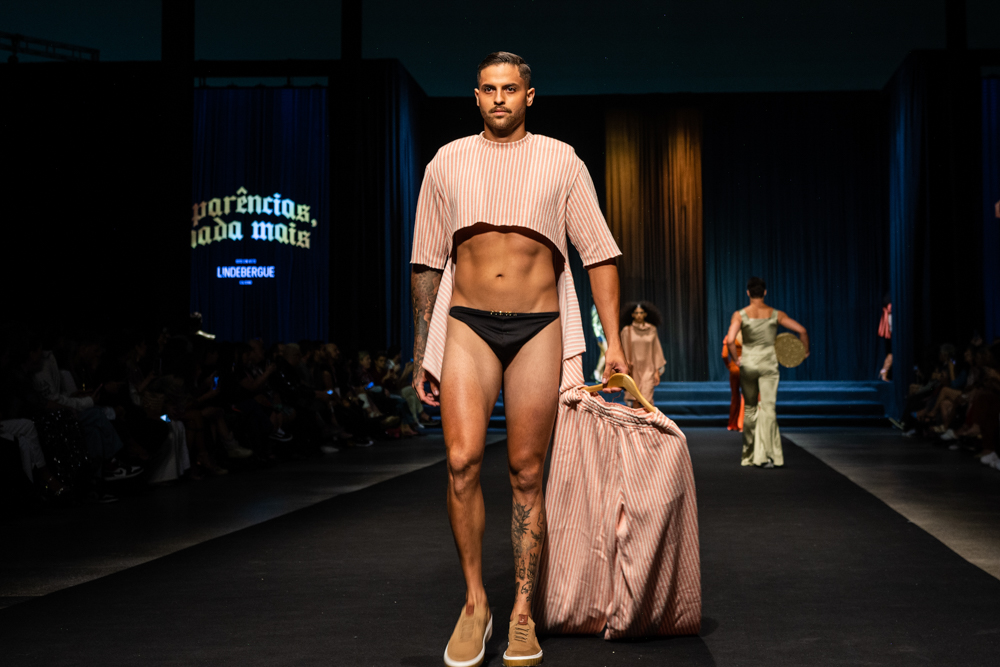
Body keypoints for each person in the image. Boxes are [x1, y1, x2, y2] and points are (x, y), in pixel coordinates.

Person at [410, 51, 625, 667]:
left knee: (527, 472)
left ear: (529, 96)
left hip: (538, 326)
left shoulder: (562, 159)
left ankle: (523, 612)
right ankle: (476, 603)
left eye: (510, 88)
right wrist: (424, 350)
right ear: (476, 96)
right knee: (460, 462)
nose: (499, 97)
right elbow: (426, 259)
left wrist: (612, 344)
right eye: (488, 89)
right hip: (467, 324)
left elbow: (598, 252)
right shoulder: (447, 160)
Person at [725, 277, 808, 468]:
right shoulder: (776, 314)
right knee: (769, 408)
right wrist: (803, 352)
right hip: (769, 365)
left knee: (750, 409)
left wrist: (736, 359)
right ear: (765, 292)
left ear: (748, 293)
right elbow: (802, 330)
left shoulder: (740, 315)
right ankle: (771, 456)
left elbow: (730, 340)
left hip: (749, 363)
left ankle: (749, 455)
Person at [619, 302, 665, 406]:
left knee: (647, 399)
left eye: (641, 312)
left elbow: (656, 350)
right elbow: (622, 349)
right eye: (636, 313)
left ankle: (647, 417)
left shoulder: (652, 329)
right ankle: (635, 417)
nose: (639, 315)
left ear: (645, 314)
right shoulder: (627, 330)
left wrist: (656, 371)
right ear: (632, 315)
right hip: (633, 368)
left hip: (648, 368)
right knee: (634, 398)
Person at [722, 329, 744, 431]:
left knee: (735, 396)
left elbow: (724, 355)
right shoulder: (748, 337)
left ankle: (732, 424)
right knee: (746, 396)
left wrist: (730, 366)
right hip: (746, 368)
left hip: (734, 368)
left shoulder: (730, 337)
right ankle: (742, 424)